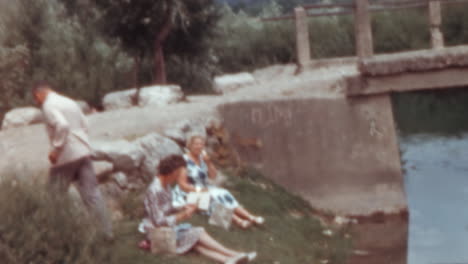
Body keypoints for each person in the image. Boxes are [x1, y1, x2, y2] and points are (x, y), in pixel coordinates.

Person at [138, 155, 256, 264]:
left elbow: (166, 207)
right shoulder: (155, 190)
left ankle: (228, 259)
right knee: (199, 232)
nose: (179, 176)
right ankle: (234, 254)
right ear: (173, 172)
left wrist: (181, 207)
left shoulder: (166, 184)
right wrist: (183, 215)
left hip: (165, 229)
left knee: (194, 243)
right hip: (157, 236)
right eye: (178, 173)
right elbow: (159, 221)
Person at [32, 81, 113, 238]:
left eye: (36, 99)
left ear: (38, 94)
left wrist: (56, 149)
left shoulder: (48, 106)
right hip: (83, 151)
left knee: (53, 196)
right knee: (92, 194)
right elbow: (85, 123)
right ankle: (106, 233)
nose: (37, 102)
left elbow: (62, 126)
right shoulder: (69, 101)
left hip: (66, 156)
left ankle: (57, 235)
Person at [172, 135, 264, 229]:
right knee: (211, 198)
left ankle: (250, 217)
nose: (199, 146)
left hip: (203, 188)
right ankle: (238, 221)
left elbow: (213, 176)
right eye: (196, 144)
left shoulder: (202, 158)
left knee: (224, 193)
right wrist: (199, 190)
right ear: (190, 145)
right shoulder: (183, 160)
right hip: (187, 192)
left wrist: (208, 163)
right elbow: (182, 185)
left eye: (201, 144)